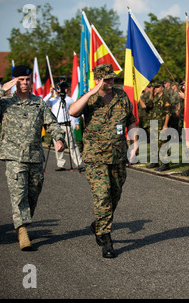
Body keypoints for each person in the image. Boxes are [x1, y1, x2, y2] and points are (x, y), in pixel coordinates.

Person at [0, 65, 65, 251]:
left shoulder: (38, 102)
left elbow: (51, 122)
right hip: (13, 156)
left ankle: (24, 223)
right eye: (20, 80)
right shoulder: (5, 102)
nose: (25, 83)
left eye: (27, 79)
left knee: (33, 194)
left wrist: (58, 138)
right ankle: (22, 230)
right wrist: (2, 90)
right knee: (18, 194)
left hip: (35, 155)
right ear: (14, 81)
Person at [69, 64, 137, 258]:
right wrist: (92, 91)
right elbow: (73, 112)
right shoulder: (89, 98)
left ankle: (99, 224)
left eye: (112, 78)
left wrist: (134, 143)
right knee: (102, 196)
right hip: (95, 157)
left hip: (117, 155)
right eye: (106, 79)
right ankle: (106, 239)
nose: (110, 81)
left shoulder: (121, 96)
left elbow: (130, 119)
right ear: (98, 79)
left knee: (115, 193)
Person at [46, 84, 84, 172]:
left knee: (72, 144)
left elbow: (74, 110)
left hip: (66, 124)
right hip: (56, 126)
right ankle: (60, 164)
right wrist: (49, 94)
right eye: (58, 88)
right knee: (58, 146)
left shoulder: (69, 99)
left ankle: (78, 163)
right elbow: (43, 102)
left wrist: (76, 122)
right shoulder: (53, 100)